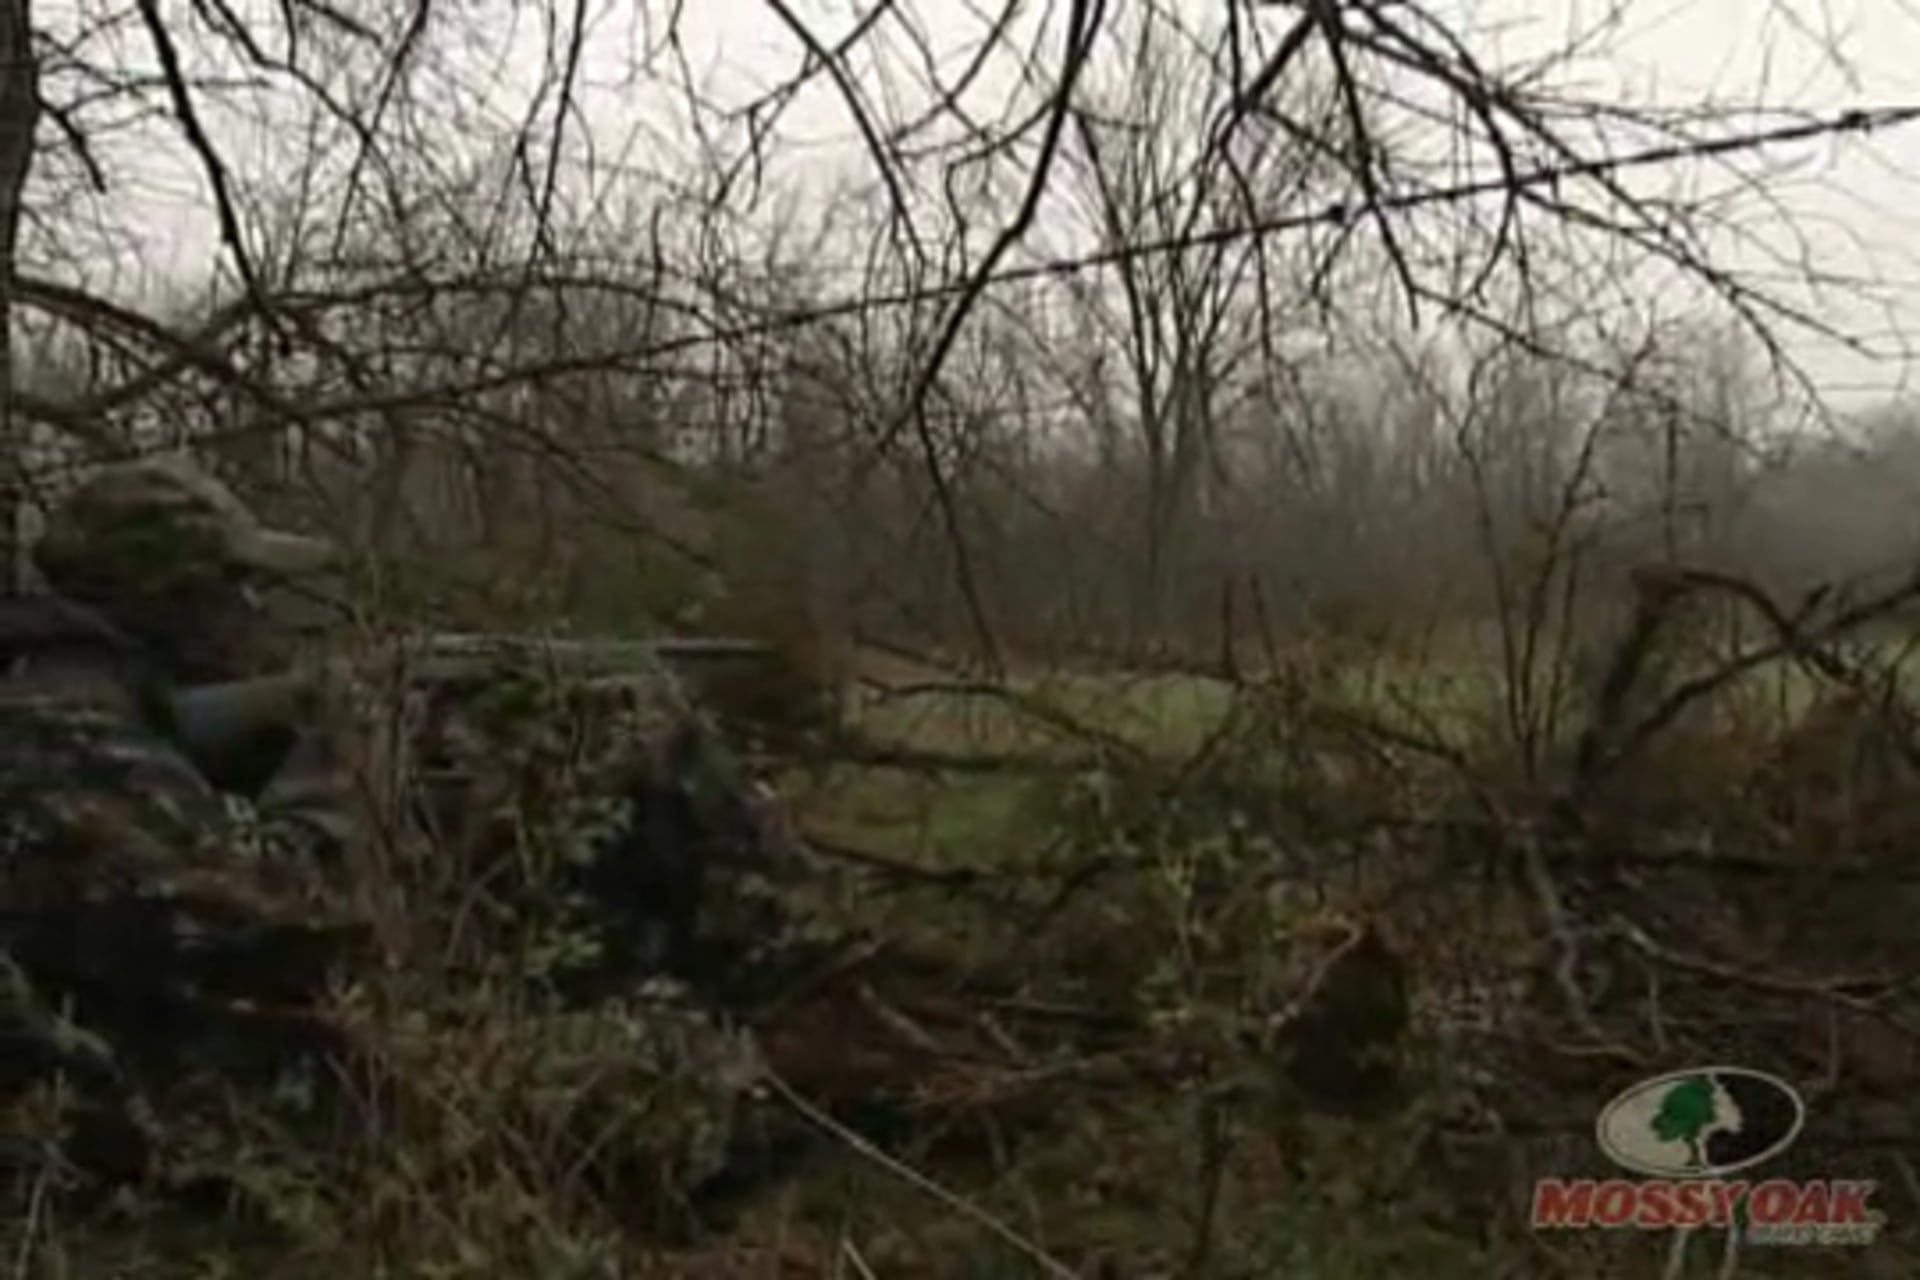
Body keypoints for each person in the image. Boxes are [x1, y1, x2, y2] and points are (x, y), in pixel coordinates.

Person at [1, 454, 365, 1190]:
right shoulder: (66, 730)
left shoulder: (68, 696)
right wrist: (336, 763)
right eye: (239, 586)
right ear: (176, 596)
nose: (255, 612)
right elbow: (284, 926)